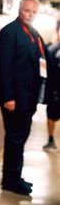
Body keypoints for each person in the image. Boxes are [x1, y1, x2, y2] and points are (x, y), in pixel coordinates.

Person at [0, 0, 48, 196]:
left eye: (33, 12)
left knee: (20, 138)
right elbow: (3, 67)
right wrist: (7, 97)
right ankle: (11, 181)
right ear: (20, 9)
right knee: (15, 138)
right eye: (27, 10)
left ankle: (14, 176)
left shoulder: (34, 34)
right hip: (14, 99)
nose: (30, 14)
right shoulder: (9, 33)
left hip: (28, 99)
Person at [43, 20, 60, 151]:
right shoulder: (52, 49)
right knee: (52, 115)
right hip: (54, 89)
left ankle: (50, 140)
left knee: (52, 115)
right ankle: (50, 140)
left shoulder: (51, 49)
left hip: (53, 89)